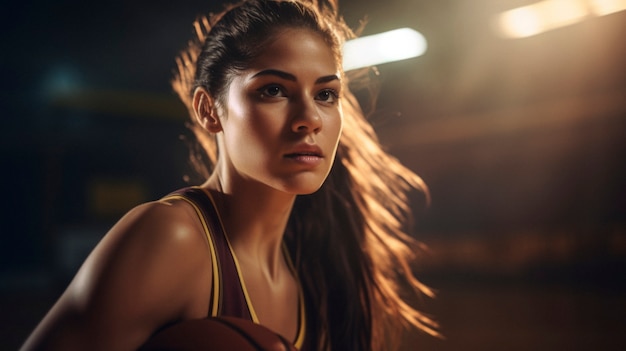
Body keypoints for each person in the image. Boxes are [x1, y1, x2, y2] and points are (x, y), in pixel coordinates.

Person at [21, 0, 438, 350]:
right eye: (273, 90)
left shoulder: (321, 266)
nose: (309, 118)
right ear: (209, 110)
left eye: (326, 94)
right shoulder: (172, 240)